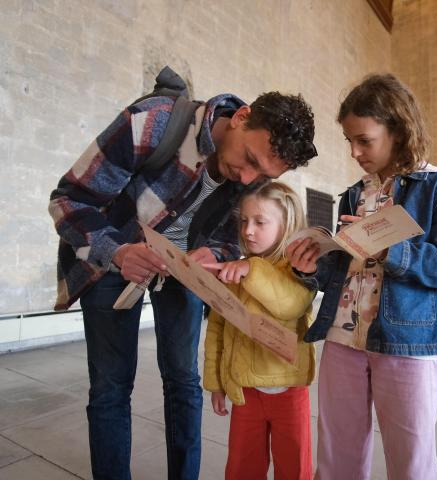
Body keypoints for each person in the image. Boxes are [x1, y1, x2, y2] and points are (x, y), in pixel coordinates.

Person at [48, 83, 317, 480]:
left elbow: (231, 239)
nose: (246, 177)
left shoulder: (253, 174)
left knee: (183, 382)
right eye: (248, 159)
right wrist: (118, 250)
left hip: (183, 273)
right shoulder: (153, 123)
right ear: (241, 117)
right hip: (112, 260)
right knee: (110, 387)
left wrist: (220, 254)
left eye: (261, 173)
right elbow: (68, 199)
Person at [286, 73, 437, 480]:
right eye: (349, 141)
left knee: (411, 461)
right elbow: (348, 266)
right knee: (337, 456)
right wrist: (314, 262)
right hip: (342, 336)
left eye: (364, 140)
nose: (354, 152)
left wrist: (395, 250)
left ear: (398, 130)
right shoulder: (354, 194)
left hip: (406, 342)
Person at [203, 181, 316, 480]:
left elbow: (291, 304)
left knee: (294, 467)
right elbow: (216, 329)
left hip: (289, 391)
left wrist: (253, 269)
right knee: (242, 466)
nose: (248, 230)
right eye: (244, 221)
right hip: (245, 390)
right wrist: (216, 381)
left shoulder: (300, 270)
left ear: (287, 224)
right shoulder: (234, 270)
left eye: (260, 222)